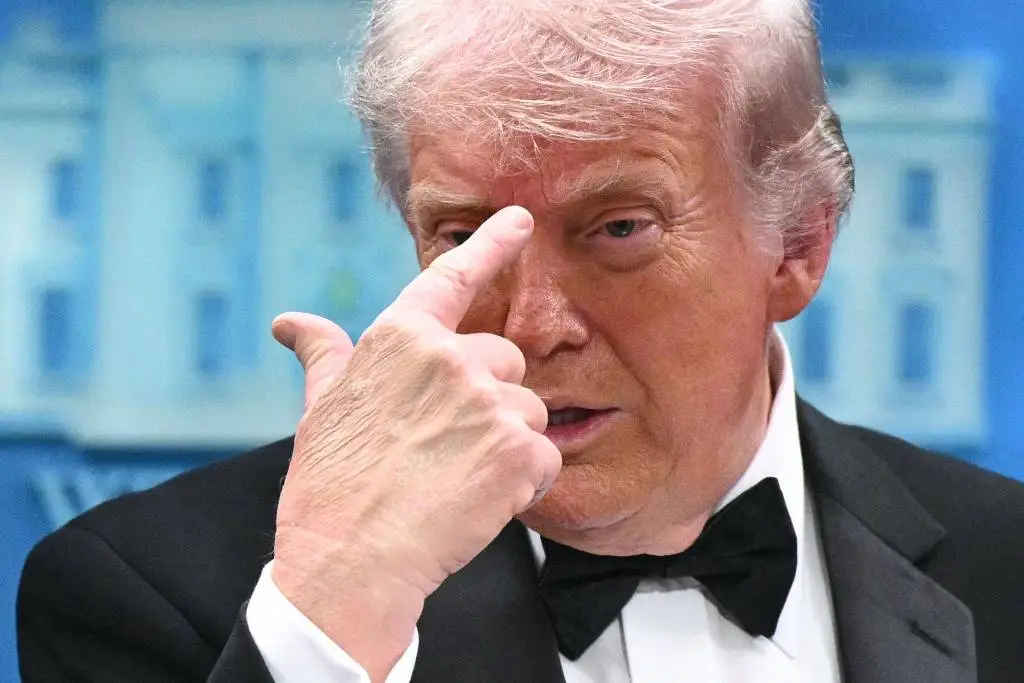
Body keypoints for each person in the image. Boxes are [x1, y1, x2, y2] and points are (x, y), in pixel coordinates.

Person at [17, 0, 1024, 681]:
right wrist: (335, 616)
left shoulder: (1007, 561)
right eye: (464, 237)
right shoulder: (148, 593)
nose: (532, 324)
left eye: (618, 228)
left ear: (797, 246)